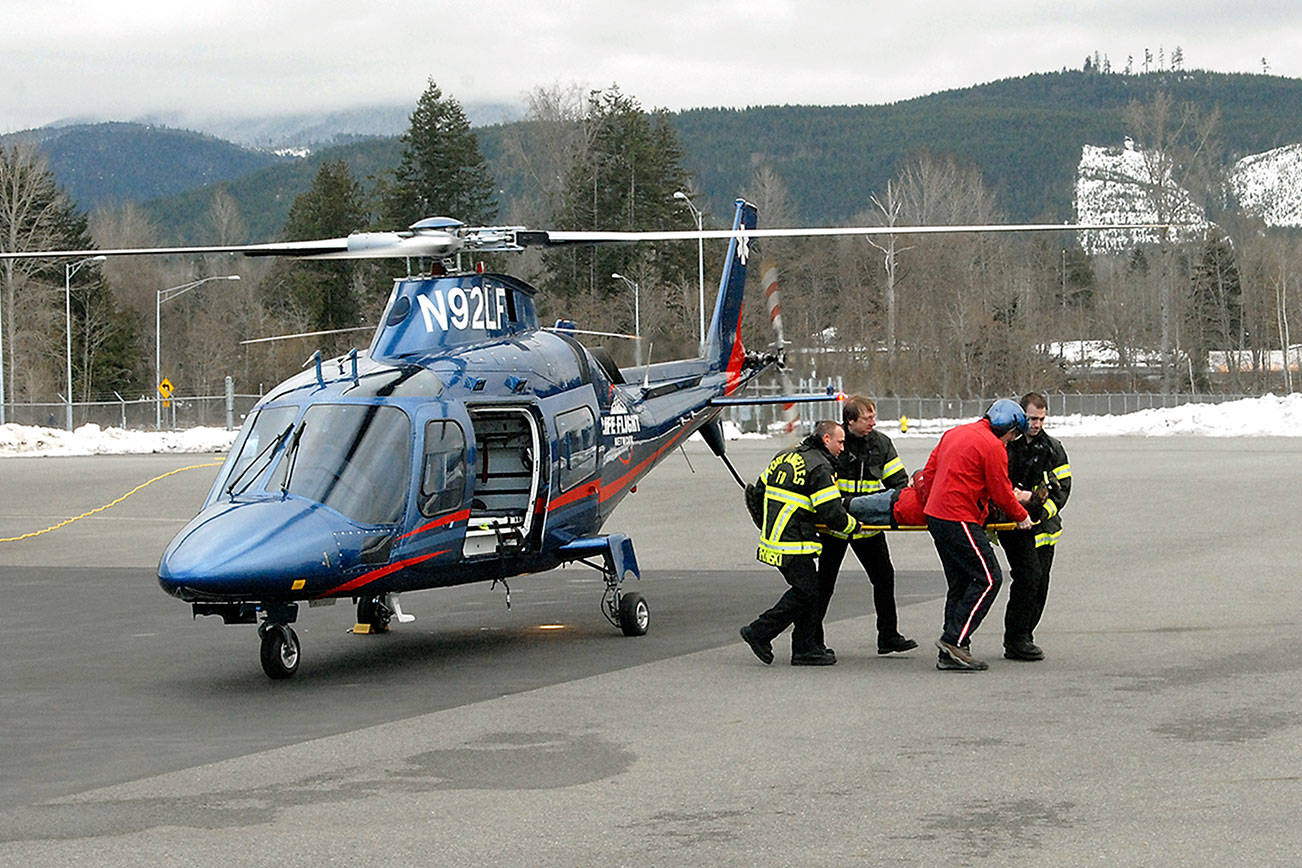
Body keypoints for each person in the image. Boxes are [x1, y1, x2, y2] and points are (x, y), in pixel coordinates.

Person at [921, 399, 1033, 671]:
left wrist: (930, 503)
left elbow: (930, 472)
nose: (1011, 440)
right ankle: (954, 641)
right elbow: (1001, 491)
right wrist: (1021, 515)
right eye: (1013, 435)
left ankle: (951, 653)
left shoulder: (955, 433)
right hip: (958, 516)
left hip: (937, 515)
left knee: (960, 582)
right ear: (1009, 428)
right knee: (989, 578)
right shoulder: (993, 446)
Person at [741, 420, 860, 666]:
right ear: (826, 439)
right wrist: (854, 527)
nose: (842, 448)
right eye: (840, 442)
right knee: (806, 593)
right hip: (793, 542)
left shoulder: (786, 456)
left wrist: (766, 522)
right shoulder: (820, 467)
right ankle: (759, 632)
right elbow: (831, 512)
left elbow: (757, 490)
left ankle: (807, 648)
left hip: (774, 538)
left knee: (811, 593)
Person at [813, 396, 918, 656]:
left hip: (867, 525)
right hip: (835, 524)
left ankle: (888, 636)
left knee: (884, 578)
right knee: (824, 584)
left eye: (874, 416)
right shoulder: (834, 442)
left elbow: (899, 484)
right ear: (850, 421)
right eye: (867, 418)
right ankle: (812, 640)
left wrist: (881, 506)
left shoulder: (881, 444)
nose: (873, 421)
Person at [997, 392, 1072, 661]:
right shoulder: (1007, 446)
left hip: (1044, 528)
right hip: (1015, 525)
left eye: (1040, 419)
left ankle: (1026, 635)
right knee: (1026, 578)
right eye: (1031, 418)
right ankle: (1016, 637)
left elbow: (1062, 490)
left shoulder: (1053, 449)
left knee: (1039, 583)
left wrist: (1040, 508)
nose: (1036, 424)